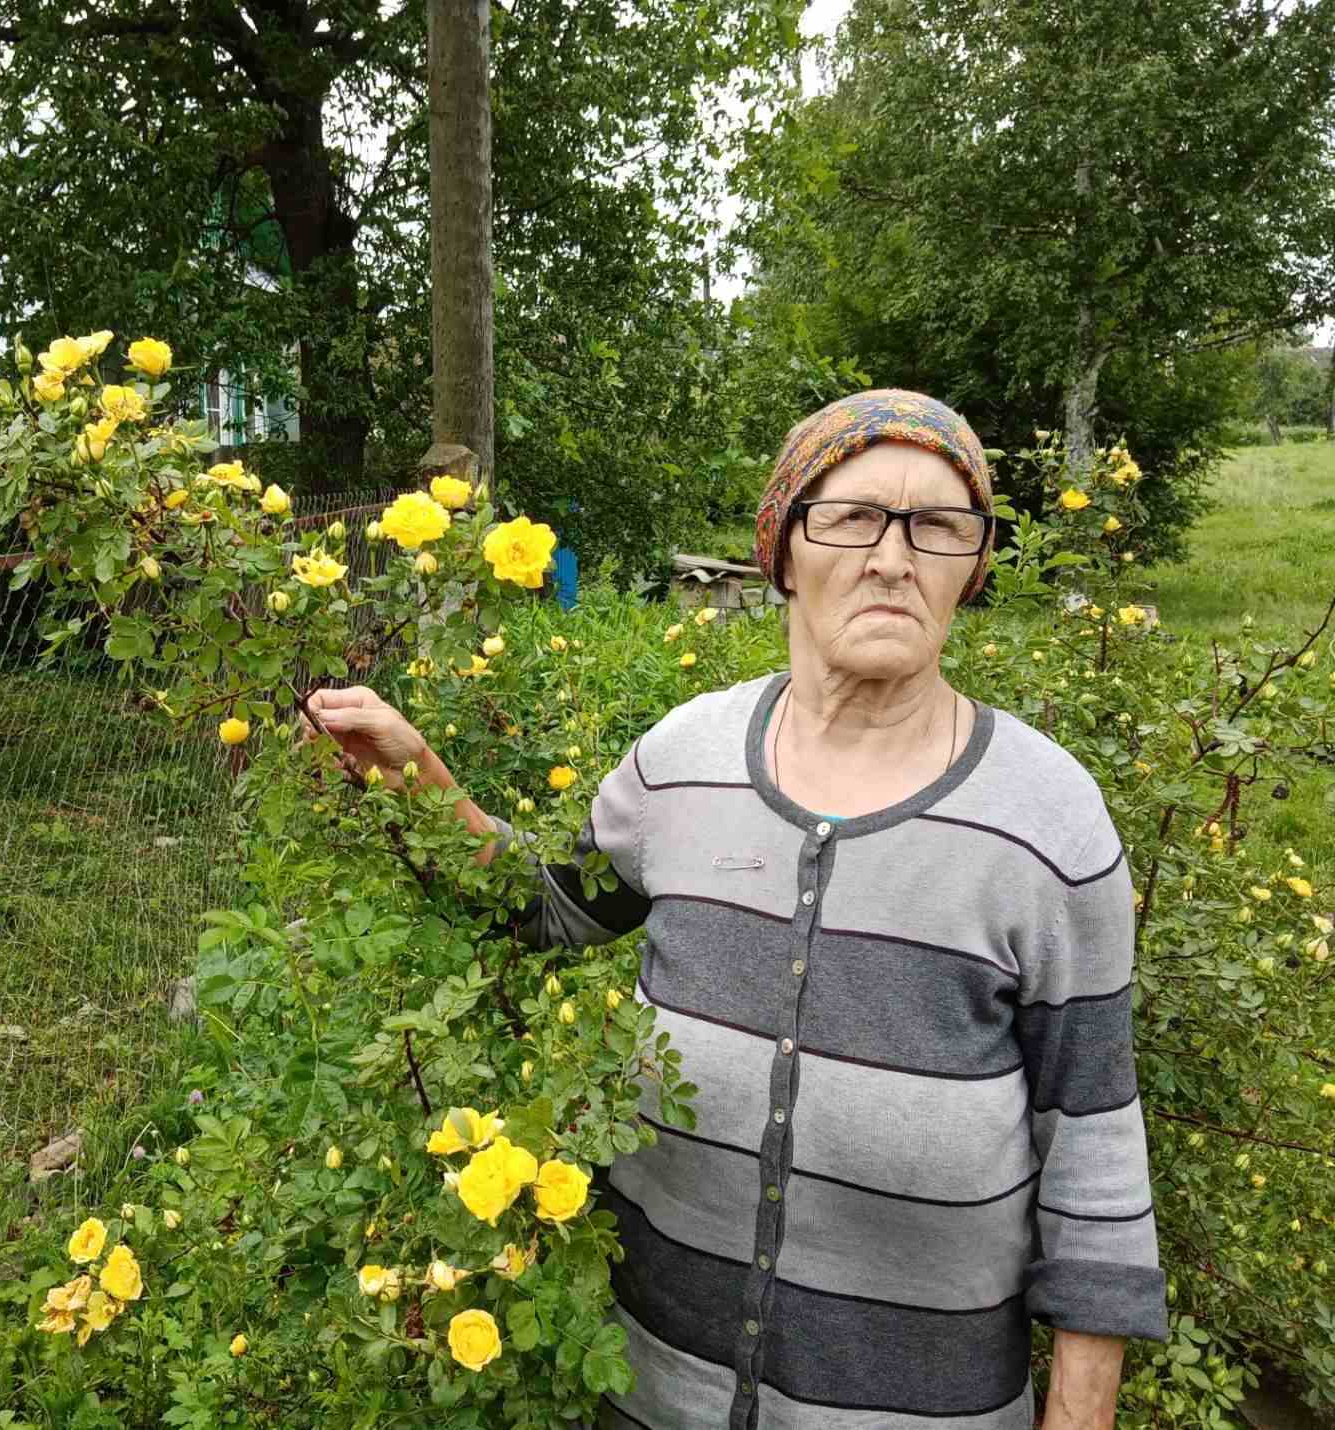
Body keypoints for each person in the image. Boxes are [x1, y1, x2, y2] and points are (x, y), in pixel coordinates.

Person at [309, 389, 1167, 1430]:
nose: (893, 558)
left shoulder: (1048, 822)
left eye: (939, 525)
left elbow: (1093, 1149)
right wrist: (419, 778)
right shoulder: (683, 761)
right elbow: (544, 905)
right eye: (852, 516)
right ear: (783, 551)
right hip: (655, 1392)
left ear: (973, 566)